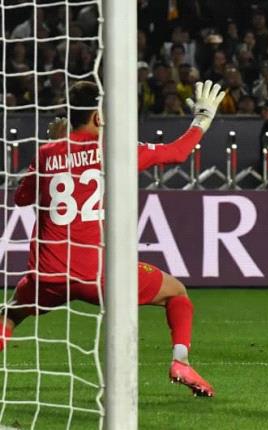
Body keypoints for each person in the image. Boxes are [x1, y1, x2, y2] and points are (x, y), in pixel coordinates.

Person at [1, 79, 225, 397]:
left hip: (48, 273)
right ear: (98, 116)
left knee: (10, 314)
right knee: (176, 293)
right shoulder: (115, 150)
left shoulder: (47, 152)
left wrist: (54, 147)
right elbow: (177, 153)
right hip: (98, 274)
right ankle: (180, 362)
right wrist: (202, 119)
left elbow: (21, 199)